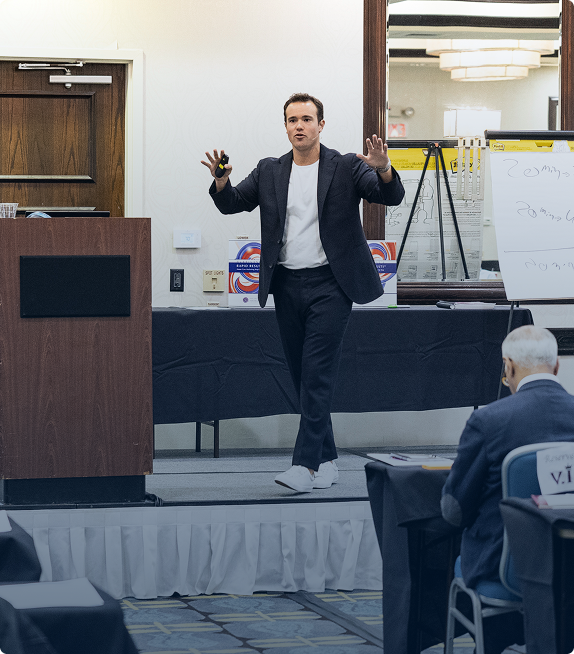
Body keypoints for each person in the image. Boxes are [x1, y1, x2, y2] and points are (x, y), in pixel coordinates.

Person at [202, 92, 405, 492]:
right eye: (292, 119)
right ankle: (328, 459)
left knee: (316, 374)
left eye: (307, 119)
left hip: (332, 284)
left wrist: (383, 169)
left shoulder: (346, 166)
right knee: (302, 377)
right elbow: (233, 204)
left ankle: (305, 465)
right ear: (286, 126)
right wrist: (221, 181)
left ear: (321, 125)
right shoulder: (269, 170)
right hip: (287, 285)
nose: (300, 126)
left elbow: (389, 195)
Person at [441, 325, 574, 654]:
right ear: (557, 367)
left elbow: (454, 511)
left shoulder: (489, 421)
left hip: (504, 574)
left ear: (508, 367)